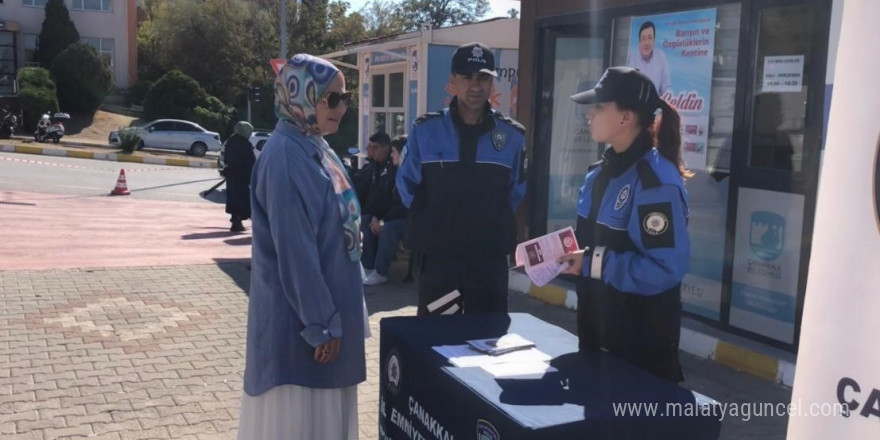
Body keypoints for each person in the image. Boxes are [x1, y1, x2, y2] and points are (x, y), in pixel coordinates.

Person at [238, 54, 367, 440]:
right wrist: (322, 324)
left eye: (345, 99)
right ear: (300, 95)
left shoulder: (315, 146)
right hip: (304, 331)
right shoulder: (286, 157)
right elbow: (295, 252)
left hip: (324, 319)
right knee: (303, 424)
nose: (342, 109)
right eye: (331, 99)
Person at [558, 66, 691, 383]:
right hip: (596, 332)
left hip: (640, 348)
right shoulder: (598, 173)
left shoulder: (654, 182)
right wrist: (557, 252)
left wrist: (589, 263)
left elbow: (664, 268)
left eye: (599, 107)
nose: (589, 115)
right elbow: (590, 239)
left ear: (625, 117)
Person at [397, 42, 527, 316]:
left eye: (483, 78)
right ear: (453, 81)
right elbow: (407, 186)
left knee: (487, 343)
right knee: (437, 341)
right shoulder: (426, 131)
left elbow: (515, 192)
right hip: (439, 261)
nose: (475, 86)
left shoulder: (512, 137)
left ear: (492, 82)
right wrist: (438, 221)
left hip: (488, 261)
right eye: (467, 77)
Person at [362, 135, 409, 285]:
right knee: (366, 220)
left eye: (394, 151)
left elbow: (403, 207)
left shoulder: (409, 174)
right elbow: (383, 199)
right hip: (393, 215)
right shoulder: (390, 170)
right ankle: (368, 267)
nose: (391, 154)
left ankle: (381, 272)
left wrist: (383, 220)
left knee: (389, 228)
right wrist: (376, 217)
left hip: (411, 220)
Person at [222, 121, 256, 232]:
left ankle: (236, 221)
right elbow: (250, 161)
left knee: (233, 198)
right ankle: (238, 222)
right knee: (242, 200)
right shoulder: (244, 144)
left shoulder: (230, 141)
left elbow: (226, 158)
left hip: (232, 175)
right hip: (241, 176)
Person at [627, 21, 672, 96]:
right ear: (639, 41)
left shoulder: (661, 57)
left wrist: (667, 103)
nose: (646, 43)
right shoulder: (633, 57)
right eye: (643, 39)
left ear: (654, 40)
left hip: (656, 105)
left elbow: (666, 87)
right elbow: (630, 86)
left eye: (649, 38)